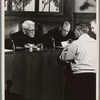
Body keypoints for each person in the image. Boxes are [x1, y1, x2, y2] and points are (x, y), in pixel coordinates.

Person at [59, 22, 97, 100]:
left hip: (78, 77)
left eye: (75, 30)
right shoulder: (96, 43)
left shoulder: (75, 44)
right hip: (93, 77)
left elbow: (65, 58)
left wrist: (66, 48)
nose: (74, 32)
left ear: (79, 31)